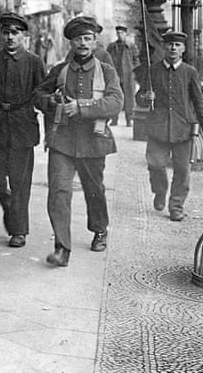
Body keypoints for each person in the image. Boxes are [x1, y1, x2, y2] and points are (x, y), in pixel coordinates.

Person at [33, 16, 123, 268]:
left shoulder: (106, 71)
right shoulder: (59, 71)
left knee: (94, 190)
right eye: (77, 39)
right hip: (62, 141)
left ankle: (100, 229)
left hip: (94, 141)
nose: (82, 43)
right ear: (70, 42)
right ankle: (62, 248)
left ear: (95, 42)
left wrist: (81, 107)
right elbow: (38, 94)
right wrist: (49, 101)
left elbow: (116, 102)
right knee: (58, 192)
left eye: (87, 38)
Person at [0, 12, 47, 248]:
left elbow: (41, 92)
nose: (10, 37)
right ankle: (7, 202)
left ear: (23, 36)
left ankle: (18, 230)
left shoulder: (34, 62)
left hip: (22, 125)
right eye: (6, 32)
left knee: (20, 182)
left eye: (15, 33)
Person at [136, 30, 203, 221]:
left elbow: (199, 101)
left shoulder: (190, 72)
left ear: (183, 49)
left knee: (182, 171)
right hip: (157, 128)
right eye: (169, 44)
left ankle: (176, 206)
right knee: (155, 165)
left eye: (177, 45)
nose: (173, 48)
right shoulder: (153, 70)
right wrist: (146, 97)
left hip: (183, 129)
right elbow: (140, 97)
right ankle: (160, 191)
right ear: (163, 47)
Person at [107, 25, 136, 126]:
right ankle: (114, 119)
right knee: (115, 97)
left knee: (129, 99)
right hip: (115, 76)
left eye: (122, 33)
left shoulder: (131, 46)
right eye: (118, 33)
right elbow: (107, 60)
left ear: (125, 34)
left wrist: (133, 72)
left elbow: (136, 60)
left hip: (128, 76)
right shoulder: (111, 46)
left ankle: (129, 120)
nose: (120, 35)